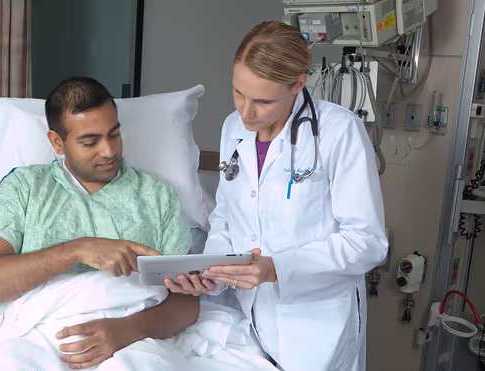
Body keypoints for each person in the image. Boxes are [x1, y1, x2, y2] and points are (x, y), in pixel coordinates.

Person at [165, 21, 388, 371]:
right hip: (247, 317)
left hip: (316, 325)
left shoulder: (338, 131)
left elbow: (367, 242)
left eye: (263, 100)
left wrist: (277, 269)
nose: (246, 111)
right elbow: (226, 215)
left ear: (298, 84)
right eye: (238, 93)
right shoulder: (233, 128)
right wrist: (208, 271)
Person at [0, 77, 200, 369]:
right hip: (37, 333)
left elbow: (187, 303)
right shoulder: (23, 188)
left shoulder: (156, 196)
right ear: (57, 142)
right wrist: (77, 250)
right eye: (91, 142)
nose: (109, 151)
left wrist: (128, 330)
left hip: (131, 335)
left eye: (114, 135)